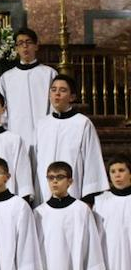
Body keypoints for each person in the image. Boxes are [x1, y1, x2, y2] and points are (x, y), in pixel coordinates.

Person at [33, 74, 109, 204]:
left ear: (72, 97)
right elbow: (35, 160)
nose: (57, 94)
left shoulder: (82, 123)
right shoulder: (42, 124)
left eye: (62, 90)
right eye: (53, 90)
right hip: (44, 195)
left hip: (73, 194)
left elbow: (92, 160)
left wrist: (88, 198)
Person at [0, 28, 58, 147]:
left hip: (44, 134)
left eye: (28, 42)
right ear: (16, 48)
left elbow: (54, 105)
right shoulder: (7, 77)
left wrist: (50, 128)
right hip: (16, 134)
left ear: (36, 46)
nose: (25, 46)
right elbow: (2, 109)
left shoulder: (49, 74)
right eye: (20, 43)